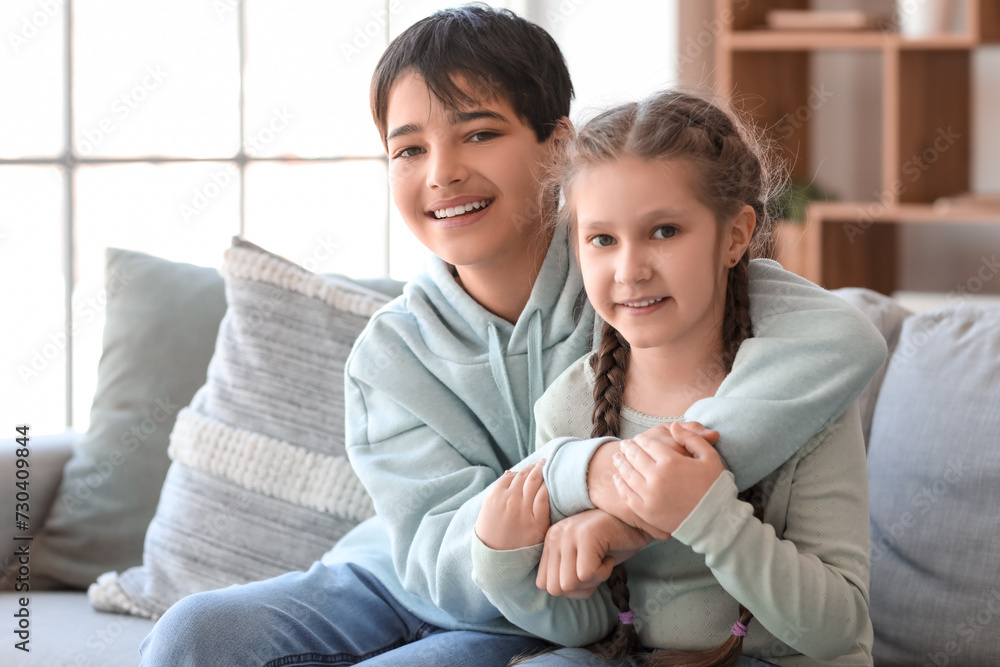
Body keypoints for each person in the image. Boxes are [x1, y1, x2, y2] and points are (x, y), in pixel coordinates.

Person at [138, 6, 883, 665]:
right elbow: (436, 562)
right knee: (196, 632)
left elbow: (838, 339)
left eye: (480, 133)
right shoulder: (391, 351)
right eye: (408, 150)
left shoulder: (637, 283)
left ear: (557, 148)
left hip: (555, 614)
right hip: (426, 583)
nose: (443, 173)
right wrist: (581, 474)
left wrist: (626, 512)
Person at [472, 90, 873, 667]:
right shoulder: (568, 409)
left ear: (734, 236)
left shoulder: (801, 394)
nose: (630, 269)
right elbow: (590, 620)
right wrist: (505, 565)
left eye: (664, 231)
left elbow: (837, 627)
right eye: (602, 239)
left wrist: (709, 515)